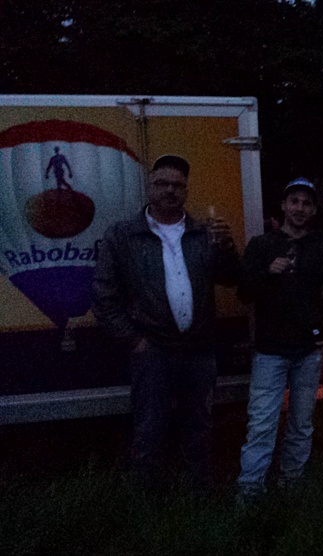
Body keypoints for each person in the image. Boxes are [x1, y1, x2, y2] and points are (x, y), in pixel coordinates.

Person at [92, 154, 239, 488]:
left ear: (186, 191)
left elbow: (231, 278)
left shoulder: (202, 232)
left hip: (199, 349)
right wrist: (134, 341)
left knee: (200, 426)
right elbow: (103, 295)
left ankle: (199, 498)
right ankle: (145, 504)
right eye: (163, 183)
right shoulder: (123, 236)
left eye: (178, 185)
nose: (170, 190)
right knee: (149, 428)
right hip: (153, 350)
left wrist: (227, 247)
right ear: (150, 186)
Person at [235, 178, 323, 499]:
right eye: (294, 201)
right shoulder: (262, 245)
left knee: (301, 424)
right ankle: (250, 494)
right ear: (283, 205)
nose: (300, 208)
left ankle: (291, 486)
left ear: (314, 210)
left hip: (308, 351)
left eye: (306, 203)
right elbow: (243, 293)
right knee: (261, 425)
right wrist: (267, 272)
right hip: (270, 351)